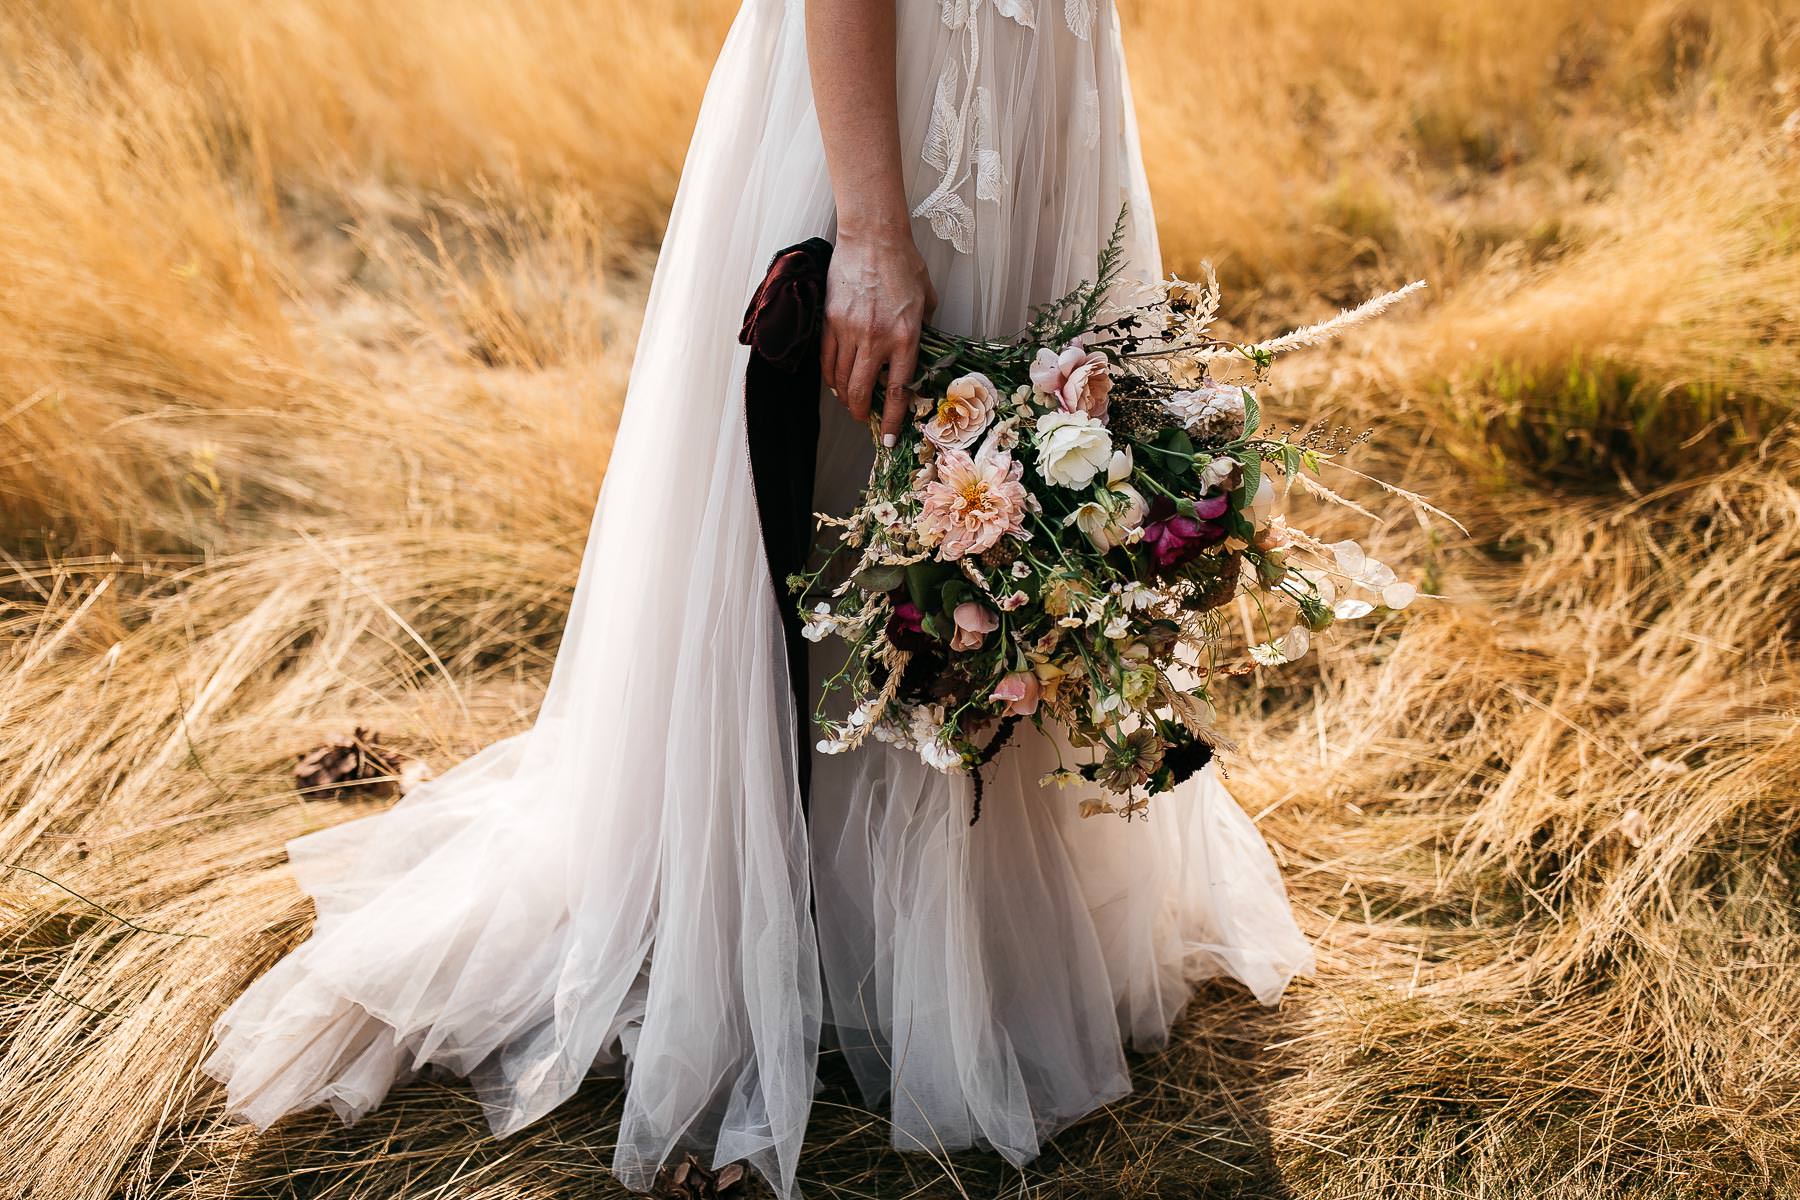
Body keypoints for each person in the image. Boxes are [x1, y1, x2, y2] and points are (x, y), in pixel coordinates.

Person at [203, 2, 1314, 1196]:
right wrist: (872, 230)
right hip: (901, 116)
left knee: (1011, 498)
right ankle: (768, 940)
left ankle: (948, 941)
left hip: (1040, 96)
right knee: (846, 492)